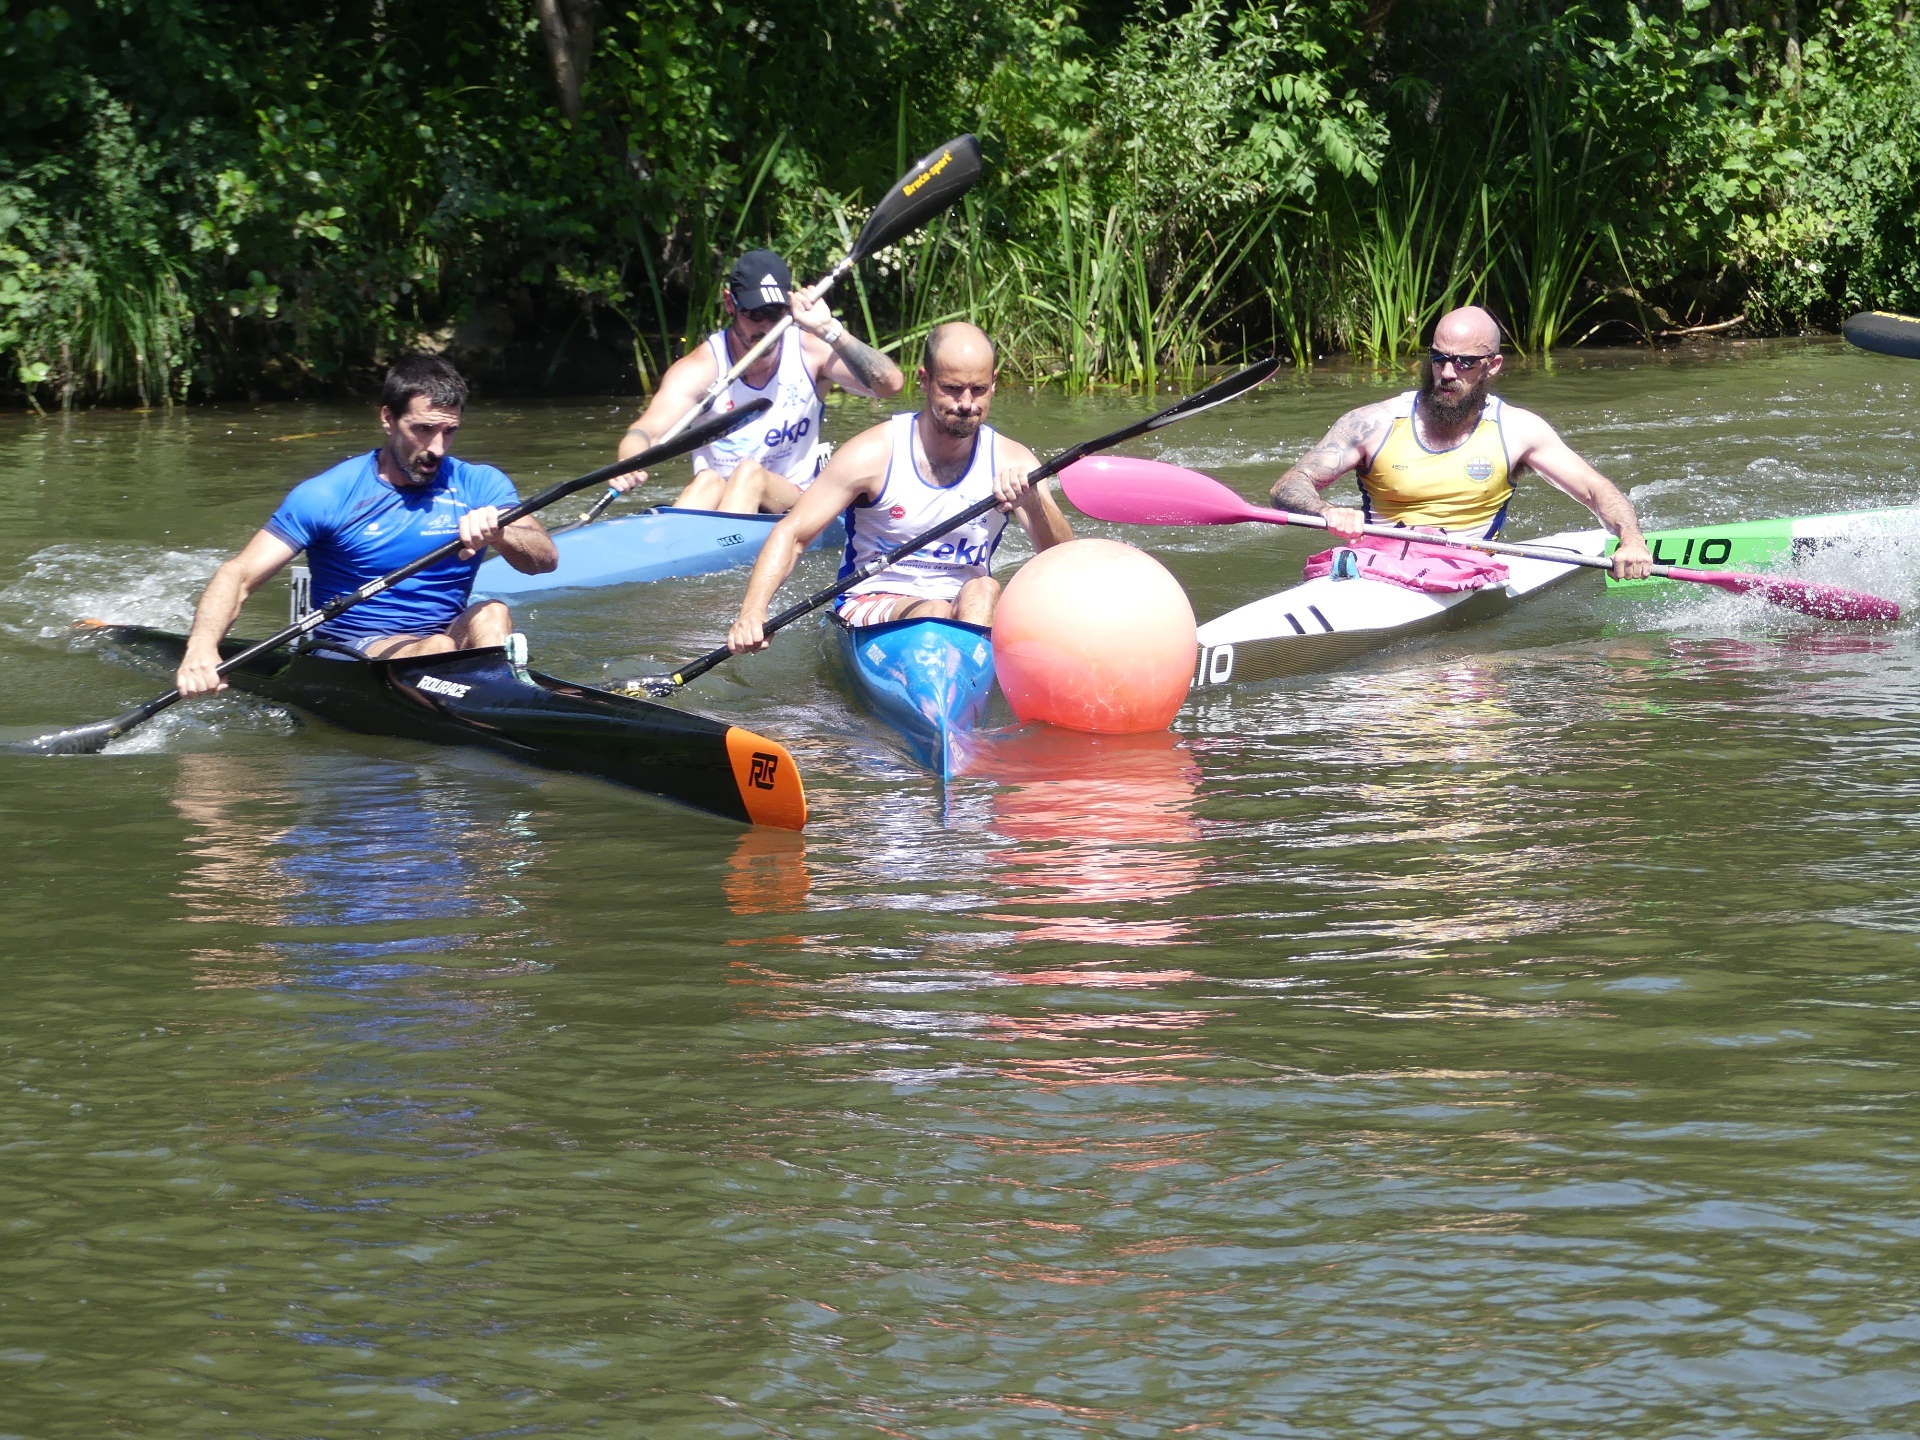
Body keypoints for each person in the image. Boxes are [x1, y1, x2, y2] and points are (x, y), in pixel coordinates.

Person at [174, 354, 556, 696]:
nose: (437, 448)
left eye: (449, 432)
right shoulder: (329, 495)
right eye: (423, 429)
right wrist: (202, 649)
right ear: (388, 418)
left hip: (442, 638)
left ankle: (508, 695)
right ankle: (491, 698)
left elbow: (545, 559)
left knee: (492, 612)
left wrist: (501, 535)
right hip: (352, 650)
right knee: (438, 649)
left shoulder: (479, 484)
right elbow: (238, 575)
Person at [727, 322, 1072, 653]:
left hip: (966, 609)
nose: (966, 404)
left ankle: (960, 689)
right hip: (873, 604)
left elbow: (1063, 560)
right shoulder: (872, 454)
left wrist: (1034, 504)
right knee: (933, 611)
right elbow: (793, 534)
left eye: (979, 390)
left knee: (986, 588)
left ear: (994, 383)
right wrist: (752, 613)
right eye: (952, 388)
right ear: (924, 380)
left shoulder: (1013, 460)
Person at [1269, 305, 1656, 581]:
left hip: (1466, 571)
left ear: (1493, 365)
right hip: (1374, 567)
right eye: (1439, 359)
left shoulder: (1519, 430)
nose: (1447, 373)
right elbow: (1287, 485)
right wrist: (1326, 509)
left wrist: (1631, 539)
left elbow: (1594, 488)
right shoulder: (1374, 422)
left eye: (1464, 362)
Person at [612, 248, 905, 515]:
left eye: (775, 313)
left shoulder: (811, 350)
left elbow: (889, 385)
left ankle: (716, 551)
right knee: (706, 481)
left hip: (795, 499)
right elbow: (645, 430)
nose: (765, 326)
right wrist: (630, 461)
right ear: (730, 304)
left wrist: (831, 330)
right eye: (754, 313)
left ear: (788, 305)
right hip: (724, 499)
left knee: (748, 474)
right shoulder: (700, 368)